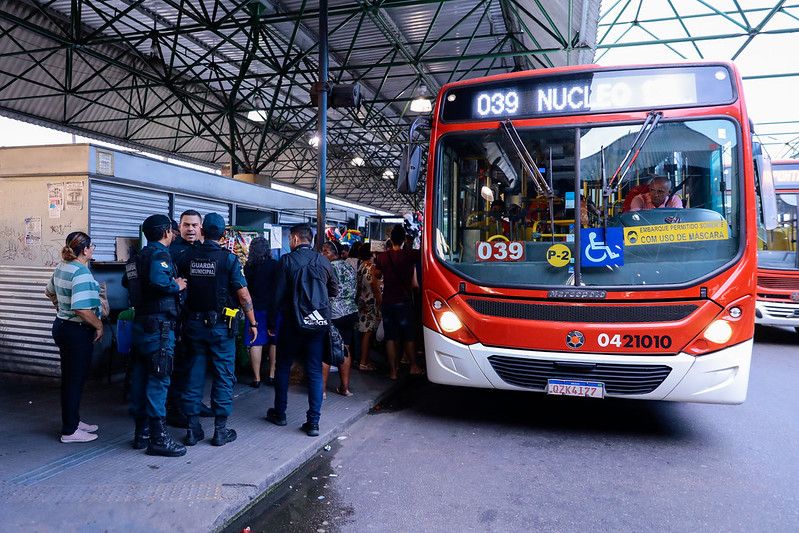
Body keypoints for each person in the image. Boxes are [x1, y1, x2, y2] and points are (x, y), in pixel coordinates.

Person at [178, 213, 258, 447]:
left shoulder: (187, 257)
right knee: (223, 376)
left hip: (193, 326)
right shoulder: (229, 260)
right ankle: (220, 431)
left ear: (202, 231)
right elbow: (243, 294)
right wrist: (253, 322)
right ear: (223, 234)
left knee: (193, 376)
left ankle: (193, 430)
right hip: (221, 329)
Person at [123, 215, 187, 457]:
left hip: (140, 325)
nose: (173, 235)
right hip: (159, 329)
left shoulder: (136, 257)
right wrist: (177, 285)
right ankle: (159, 439)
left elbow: (127, 281)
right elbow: (159, 281)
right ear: (165, 232)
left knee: (140, 379)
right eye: (172, 231)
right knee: (159, 381)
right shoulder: (159, 254)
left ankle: (142, 435)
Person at [266, 224, 339, 437]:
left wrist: (272, 324)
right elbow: (334, 289)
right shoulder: (323, 261)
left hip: (291, 323)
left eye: (290, 238)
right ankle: (313, 423)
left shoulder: (287, 261)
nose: (290, 242)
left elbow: (276, 297)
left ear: (296, 239)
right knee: (315, 370)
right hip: (317, 325)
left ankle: (280, 413)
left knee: (283, 367)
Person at [45, 232, 103, 443]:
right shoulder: (81, 273)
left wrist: (61, 308)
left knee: (72, 378)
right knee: (74, 381)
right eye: (92, 246)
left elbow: (49, 291)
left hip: (62, 327)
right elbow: (81, 309)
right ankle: (70, 431)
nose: (93, 249)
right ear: (86, 249)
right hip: (76, 332)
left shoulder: (63, 266)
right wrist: (99, 325)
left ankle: (74, 420)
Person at [166, 209, 209, 427]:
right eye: (186, 225)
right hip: (178, 319)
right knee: (179, 365)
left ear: (201, 228)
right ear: (179, 228)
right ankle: (175, 409)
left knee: (196, 364)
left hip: (198, 317)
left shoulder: (203, 250)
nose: (190, 229)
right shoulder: (173, 252)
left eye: (194, 225)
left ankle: (193, 403)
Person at [374, 224, 423, 379]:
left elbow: (376, 274)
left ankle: (393, 371)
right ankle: (413, 366)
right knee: (408, 336)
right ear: (403, 240)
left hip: (388, 300)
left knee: (390, 337)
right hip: (404, 300)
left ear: (390, 238)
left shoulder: (383, 256)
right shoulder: (410, 255)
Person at [243, 236, 280, 388]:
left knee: (255, 342)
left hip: (254, 309)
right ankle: (271, 374)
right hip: (273, 308)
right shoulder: (274, 265)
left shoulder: (248, 266)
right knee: (274, 342)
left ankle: (256, 378)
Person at [321, 241, 356, 396]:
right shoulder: (349, 266)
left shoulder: (328, 268)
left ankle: (321, 390)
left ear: (331, 253)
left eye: (325, 251)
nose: (322, 254)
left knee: (326, 348)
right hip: (350, 312)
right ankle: (345, 388)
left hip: (334, 313)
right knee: (345, 348)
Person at [355, 243, 381, 373]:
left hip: (362, 301)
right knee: (368, 332)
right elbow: (375, 288)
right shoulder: (371, 267)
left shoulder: (361, 266)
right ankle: (364, 362)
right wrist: (380, 302)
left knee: (365, 331)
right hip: (371, 303)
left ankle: (364, 360)